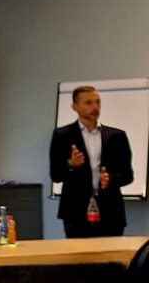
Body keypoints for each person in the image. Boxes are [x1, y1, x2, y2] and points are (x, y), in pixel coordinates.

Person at [50, 86, 133, 238]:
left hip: (110, 209)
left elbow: (128, 175)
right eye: (88, 103)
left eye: (97, 102)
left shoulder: (116, 136)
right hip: (75, 210)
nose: (95, 107)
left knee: (112, 252)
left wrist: (110, 179)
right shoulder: (62, 135)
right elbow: (55, 175)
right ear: (75, 107)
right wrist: (70, 165)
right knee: (79, 252)